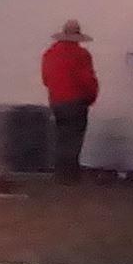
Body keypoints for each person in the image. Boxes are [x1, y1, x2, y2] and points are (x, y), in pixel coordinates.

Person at [40, 21, 98, 183]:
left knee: (61, 136)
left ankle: (59, 173)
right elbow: (88, 80)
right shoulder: (81, 55)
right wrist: (91, 97)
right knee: (74, 138)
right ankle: (70, 175)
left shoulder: (49, 54)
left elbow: (46, 79)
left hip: (57, 101)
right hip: (76, 101)